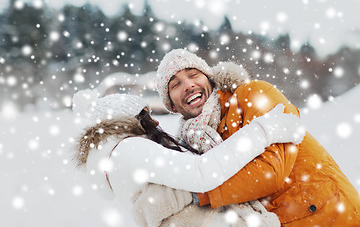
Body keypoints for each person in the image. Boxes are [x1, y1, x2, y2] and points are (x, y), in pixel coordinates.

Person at [154, 49, 360, 226]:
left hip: (332, 215)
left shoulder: (253, 94)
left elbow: (271, 172)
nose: (188, 85)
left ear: (208, 78)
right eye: (175, 85)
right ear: (172, 105)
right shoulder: (190, 145)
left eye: (193, 75)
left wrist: (200, 195)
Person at [72, 90, 302, 226]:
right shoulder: (128, 150)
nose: (157, 123)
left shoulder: (113, 163)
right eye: (146, 117)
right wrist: (263, 130)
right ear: (128, 122)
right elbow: (202, 173)